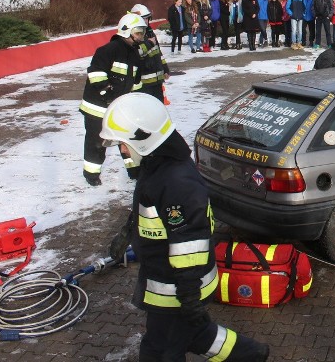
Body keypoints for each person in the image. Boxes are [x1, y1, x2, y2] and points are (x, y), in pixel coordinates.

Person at [101, 94, 269, 362]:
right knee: (198, 335)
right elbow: (153, 211)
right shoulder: (157, 165)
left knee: (160, 351)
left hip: (176, 289)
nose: (121, 150)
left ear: (144, 137)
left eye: (122, 143)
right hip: (174, 283)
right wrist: (128, 232)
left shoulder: (175, 180)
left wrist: (188, 294)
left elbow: (190, 240)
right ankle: (250, 354)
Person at [78, 13, 147, 186]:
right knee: (97, 142)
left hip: (119, 107)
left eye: (142, 32)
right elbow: (96, 74)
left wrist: (134, 102)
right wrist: (108, 95)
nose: (141, 36)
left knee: (128, 140)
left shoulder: (135, 54)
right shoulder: (108, 50)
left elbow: (136, 83)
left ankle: (135, 171)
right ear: (126, 31)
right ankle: (91, 175)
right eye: (138, 32)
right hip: (97, 108)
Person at [130, 4, 170, 102]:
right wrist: (149, 43)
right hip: (144, 83)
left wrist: (165, 68)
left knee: (159, 107)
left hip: (157, 81)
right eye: (143, 19)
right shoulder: (132, 35)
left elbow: (157, 52)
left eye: (147, 19)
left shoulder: (150, 32)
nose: (146, 21)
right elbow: (136, 52)